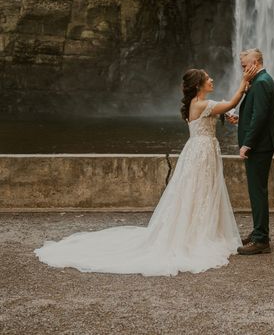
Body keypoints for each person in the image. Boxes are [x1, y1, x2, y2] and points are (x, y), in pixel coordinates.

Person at [34, 65, 258, 276]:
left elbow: (220, 108)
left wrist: (226, 113)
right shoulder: (200, 104)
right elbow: (228, 104)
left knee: (201, 192)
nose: (212, 79)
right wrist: (244, 81)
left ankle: (203, 230)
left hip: (200, 151)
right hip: (201, 153)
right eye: (208, 78)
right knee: (199, 191)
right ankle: (198, 235)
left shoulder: (199, 103)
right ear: (199, 85)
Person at [230, 48, 274, 255]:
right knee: (257, 191)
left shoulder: (261, 82)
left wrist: (247, 143)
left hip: (259, 146)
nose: (242, 69)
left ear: (256, 62)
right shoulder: (262, 80)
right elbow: (258, 114)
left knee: (257, 192)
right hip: (261, 144)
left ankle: (261, 239)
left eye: (244, 65)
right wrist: (241, 119)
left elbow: (260, 118)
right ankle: (259, 232)